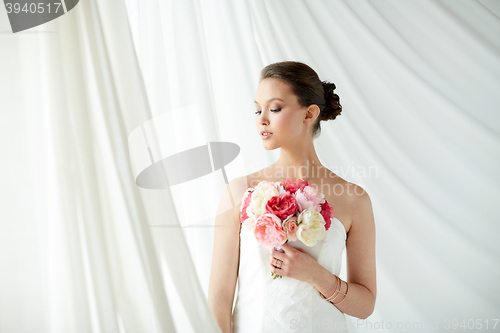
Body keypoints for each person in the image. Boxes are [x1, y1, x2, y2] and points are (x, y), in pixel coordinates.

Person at [208, 61, 376, 333]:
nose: (262, 119)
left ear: (309, 114)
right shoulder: (239, 192)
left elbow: (365, 305)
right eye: (257, 109)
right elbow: (219, 299)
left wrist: (318, 276)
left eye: (274, 108)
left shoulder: (354, 199)